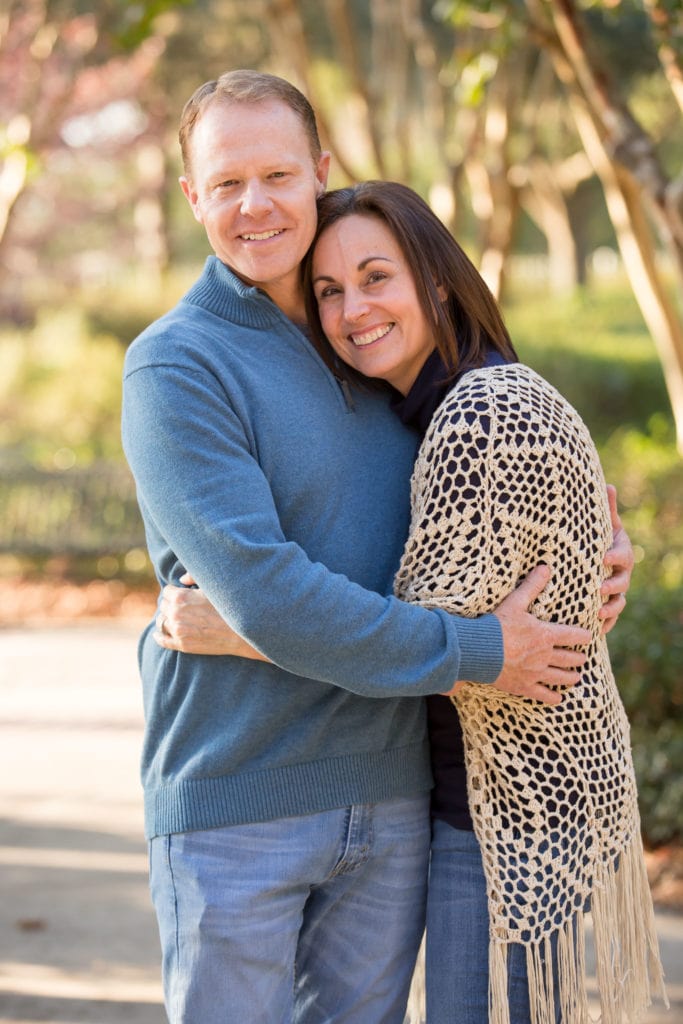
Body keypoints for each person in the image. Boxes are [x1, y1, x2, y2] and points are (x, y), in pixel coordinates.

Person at [122, 70, 630, 1024]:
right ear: (190, 196)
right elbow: (270, 591)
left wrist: (591, 543)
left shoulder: (372, 349)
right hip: (241, 798)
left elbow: (484, 514)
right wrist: (477, 648)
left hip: (397, 800)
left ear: (320, 171)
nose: (255, 203)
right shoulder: (176, 363)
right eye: (225, 182)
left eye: (276, 173)